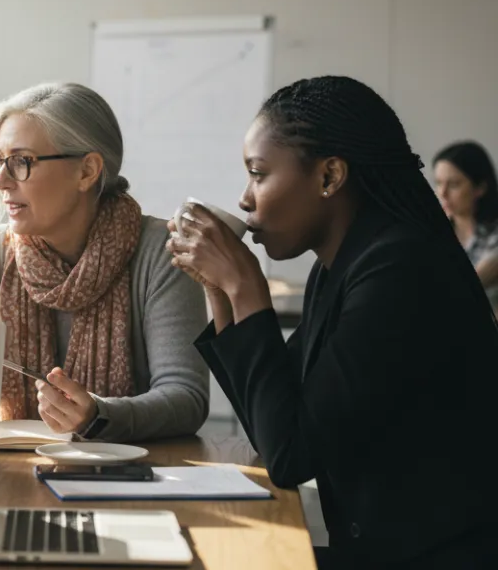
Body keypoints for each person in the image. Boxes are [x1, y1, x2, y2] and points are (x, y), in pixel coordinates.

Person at [167, 76, 498, 568]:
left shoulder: (399, 270)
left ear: (329, 176)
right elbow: (271, 426)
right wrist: (220, 289)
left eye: (258, 174)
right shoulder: (342, 266)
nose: (244, 199)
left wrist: (248, 287)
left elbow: (290, 456)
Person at [0, 82, 208, 443]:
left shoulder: (159, 250)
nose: (2, 182)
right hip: (15, 466)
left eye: (22, 162)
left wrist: (99, 416)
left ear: (87, 171)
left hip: (135, 468)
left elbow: (186, 398)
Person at [433, 140, 498, 308]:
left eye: (454, 184)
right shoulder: (432, 233)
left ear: (480, 187)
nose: (442, 193)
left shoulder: (494, 236)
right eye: (438, 183)